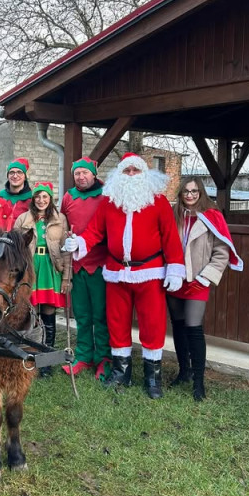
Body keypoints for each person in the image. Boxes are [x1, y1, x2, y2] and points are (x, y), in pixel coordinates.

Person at [64, 153, 185, 399]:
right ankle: (121, 372)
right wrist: (80, 243)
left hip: (149, 273)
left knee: (152, 323)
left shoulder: (158, 202)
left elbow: (170, 237)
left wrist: (175, 267)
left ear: (144, 174)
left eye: (135, 171)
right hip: (116, 272)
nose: (130, 175)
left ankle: (153, 377)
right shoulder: (110, 202)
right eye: (126, 171)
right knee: (117, 322)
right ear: (119, 175)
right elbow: (95, 231)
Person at [167, 176, 243, 401]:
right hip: (175, 279)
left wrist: (206, 277)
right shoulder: (174, 215)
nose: (189, 195)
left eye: (194, 191)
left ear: (201, 193)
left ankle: (199, 382)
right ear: (180, 194)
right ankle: (184, 372)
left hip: (198, 281)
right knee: (178, 327)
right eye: (186, 192)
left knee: (193, 327)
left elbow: (222, 252)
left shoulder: (212, 217)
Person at [61, 158, 111, 379]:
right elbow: (61, 223)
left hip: (100, 264)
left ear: (94, 174)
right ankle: (84, 355)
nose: (81, 177)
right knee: (81, 314)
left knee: (100, 314)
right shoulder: (68, 197)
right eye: (77, 173)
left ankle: (104, 357)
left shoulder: (106, 195)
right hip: (77, 265)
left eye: (85, 173)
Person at [14, 182, 71, 377]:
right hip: (31, 268)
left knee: (48, 314)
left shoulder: (59, 219)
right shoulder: (23, 218)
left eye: (45, 197)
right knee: (30, 314)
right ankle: (29, 357)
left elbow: (66, 249)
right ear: (33, 199)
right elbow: (14, 248)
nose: (41, 200)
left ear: (50, 199)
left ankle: (47, 361)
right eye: (38, 197)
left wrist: (66, 278)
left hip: (50, 267)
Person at [0, 158, 33, 230]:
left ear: (25, 177)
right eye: (12, 172)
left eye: (19, 172)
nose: (15, 176)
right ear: (7, 176)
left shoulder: (33, 199)